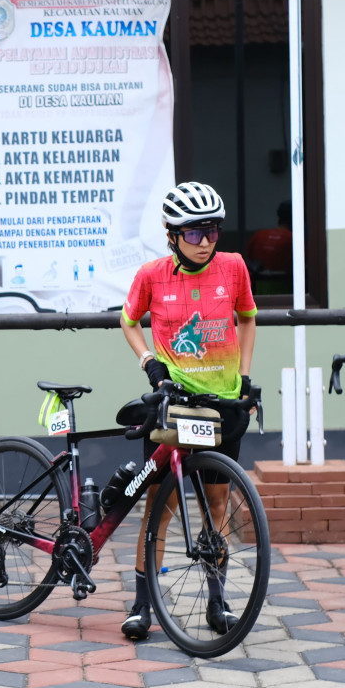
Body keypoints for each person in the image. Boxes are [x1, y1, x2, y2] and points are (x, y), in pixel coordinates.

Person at [119, 181, 256, 640]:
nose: (206, 242)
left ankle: (217, 602)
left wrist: (245, 377)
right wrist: (149, 362)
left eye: (213, 231)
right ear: (171, 235)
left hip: (222, 408)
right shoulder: (152, 275)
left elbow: (248, 316)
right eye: (194, 233)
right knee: (160, 507)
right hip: (174, 407)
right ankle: (143, 605)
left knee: (216, 504)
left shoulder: (233, 267)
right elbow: (128, 320)